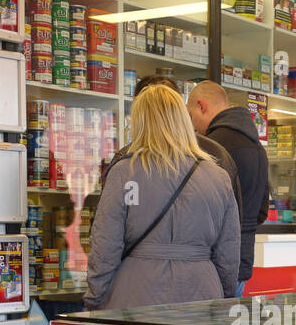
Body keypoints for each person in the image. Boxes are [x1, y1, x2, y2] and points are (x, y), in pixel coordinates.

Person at [84, 84, 239, 310]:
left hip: (137, 292)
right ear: (183, 120)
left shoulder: (125, 173)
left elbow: (105, 245)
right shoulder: (218, 177)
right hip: (203, 292)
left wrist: (94, 297)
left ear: (140, 121)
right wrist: (222, 296)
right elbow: (229, 253)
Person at [100, 75, 243, 225]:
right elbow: (231, 228)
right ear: (180, 109)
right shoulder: (215, 156)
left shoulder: (125, 163)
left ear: (139, 111)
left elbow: (108, 231)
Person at [187, 81, 270, 296]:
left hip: (211, 261)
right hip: (241, 260)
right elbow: (262, 211)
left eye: (191, 115)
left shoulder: (208, 148)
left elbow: (194, 209)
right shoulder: (257, 147)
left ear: (201, 106)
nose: (193, 125)